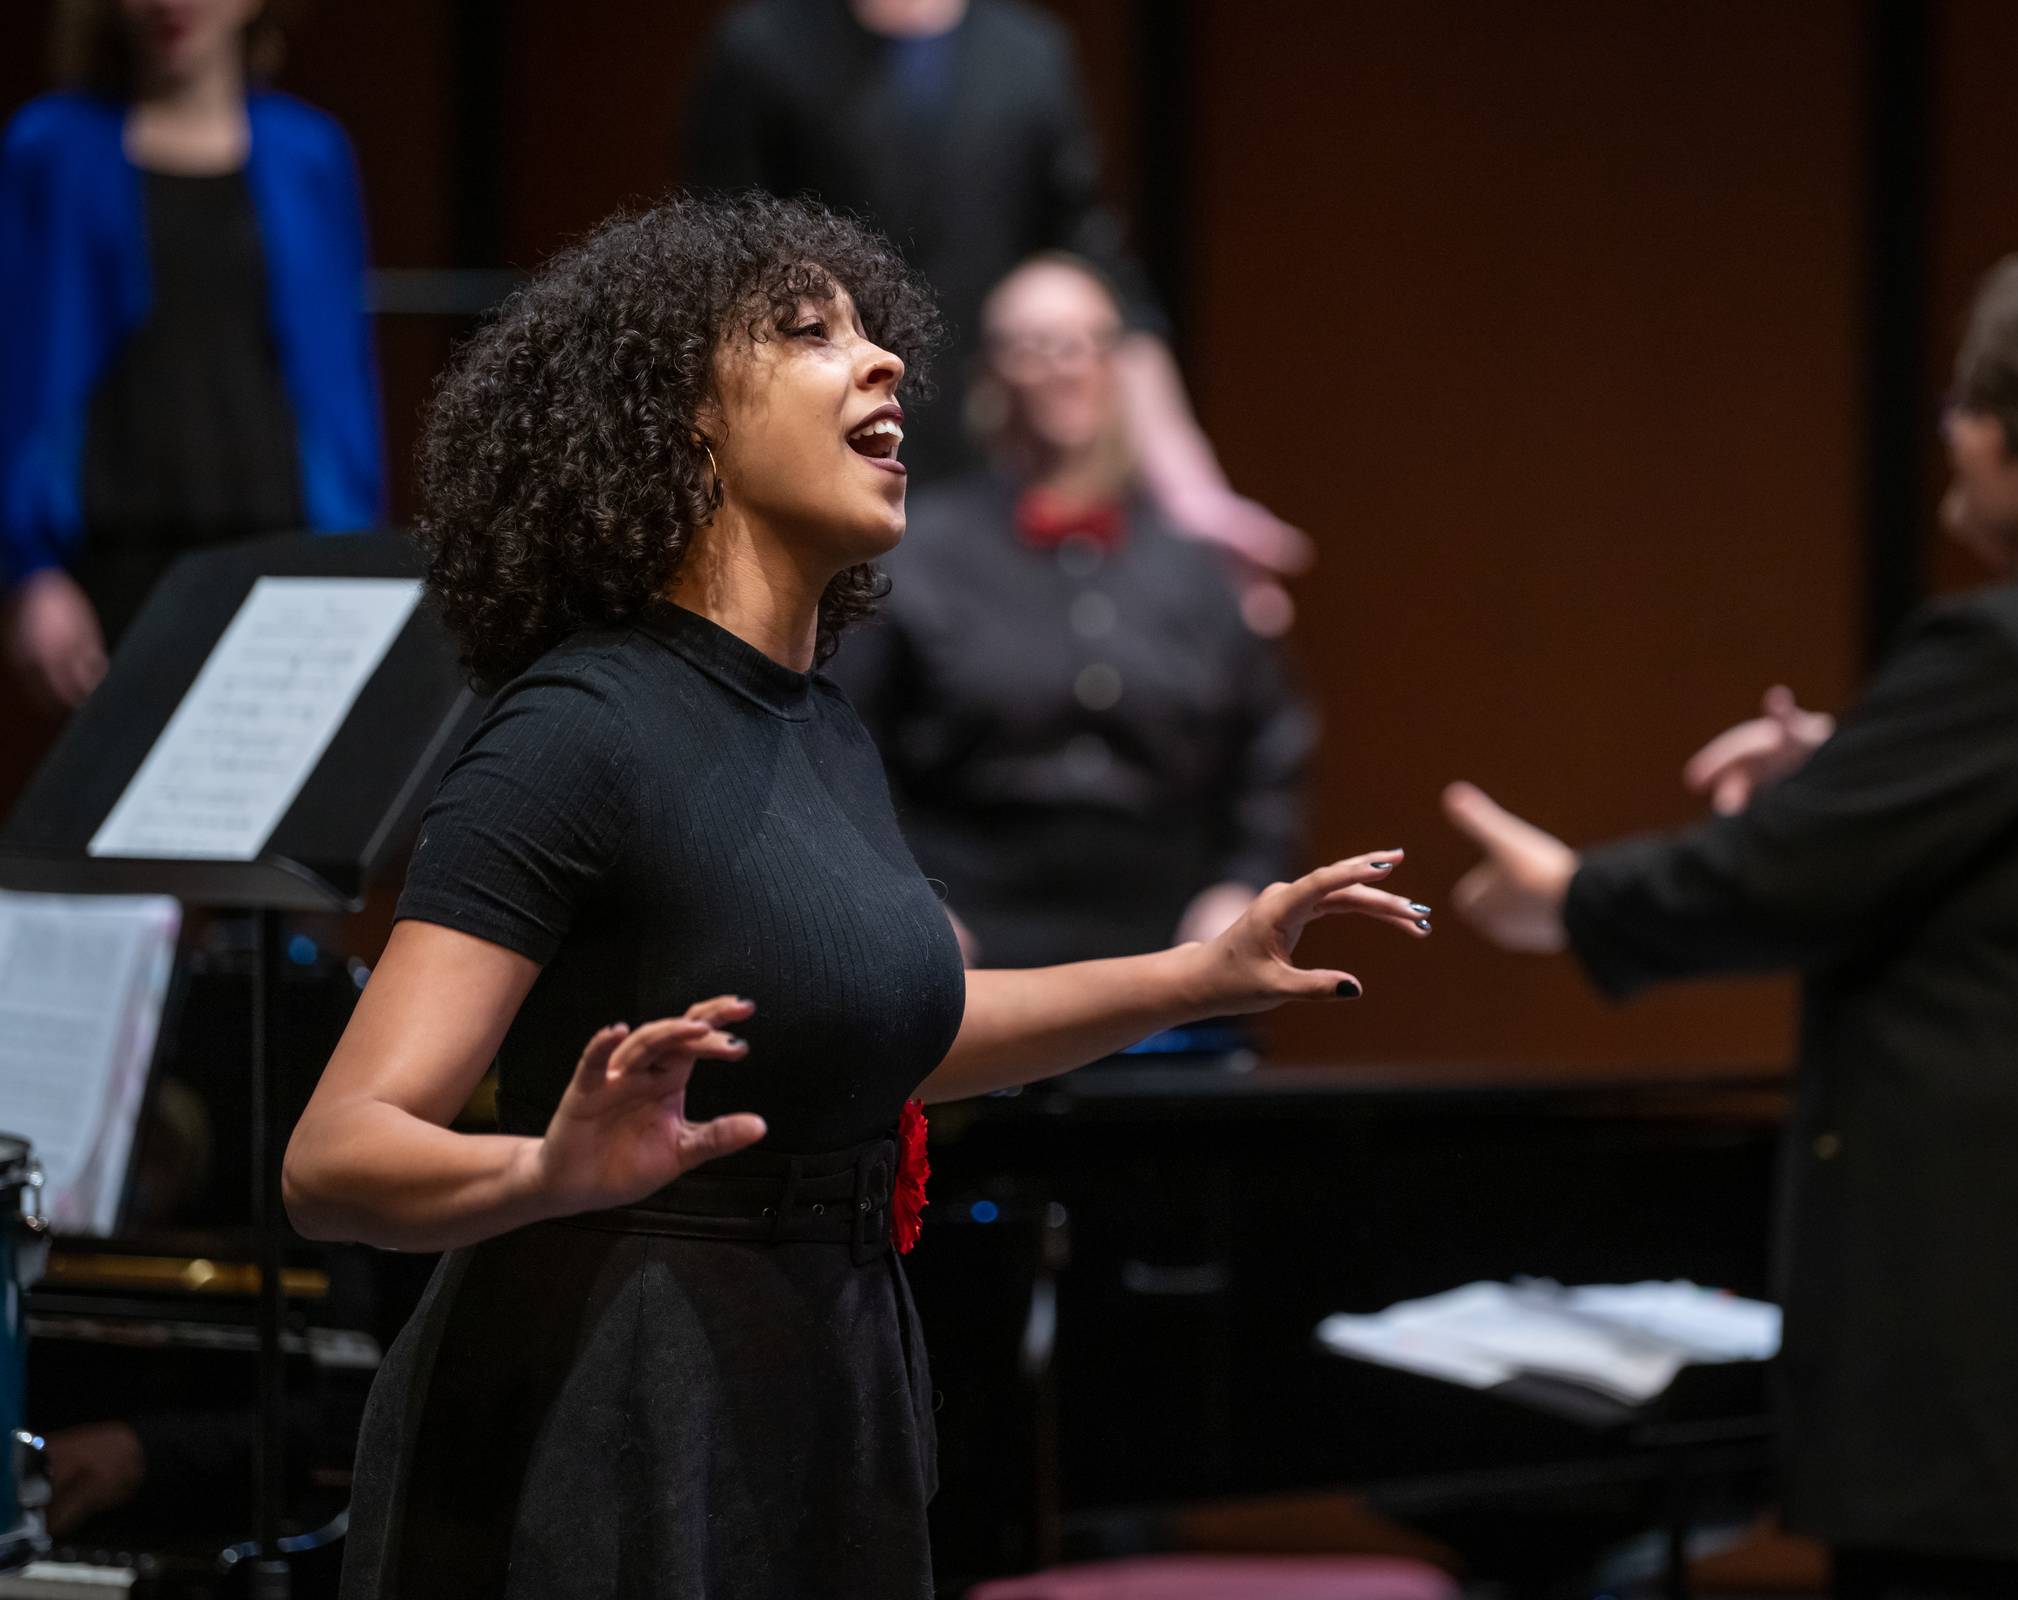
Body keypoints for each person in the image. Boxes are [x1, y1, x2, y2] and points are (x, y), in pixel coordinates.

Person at [279, 192, 1425, 1599]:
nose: (882, 359)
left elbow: (884, 1034)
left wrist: (1200, 975)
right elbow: (335, 1158)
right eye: (809, 332)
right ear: (682, 416)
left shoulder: (820, 724)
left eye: (875, 333)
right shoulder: (575, 729)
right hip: (609, 1402)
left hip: (823, 1375)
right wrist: (541, 1174)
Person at [1443, 255, 2018, 1598]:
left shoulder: (2012, 657)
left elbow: (1767, 879)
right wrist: (1858, 764)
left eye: (1969, 408)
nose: (1951, 432)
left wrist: (1566, 897)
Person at [684, 0, 1309, 629]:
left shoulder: (1027, 54)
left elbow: (1099, 270)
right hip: (823, 459)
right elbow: (724, 279)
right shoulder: (764, 48)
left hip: (992, 462)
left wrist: (1190, 490)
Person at [830, 253, 1319, 970]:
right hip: (967, 941)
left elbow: (1271, 748)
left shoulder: (1196, 565)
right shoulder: (919, 550)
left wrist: (1241, 885)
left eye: (1085, 343)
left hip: (1173, 945)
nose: (1064, 367)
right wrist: (903, 897)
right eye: (1035, 346)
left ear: (1121, 366)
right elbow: (846, 741)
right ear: (992, 373)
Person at [0, 0, 382, 711]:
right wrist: (31, 572)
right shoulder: (49, 149)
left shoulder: (310, 154)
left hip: (282, 563)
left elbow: (341, 383)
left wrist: (355, 565)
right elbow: (19, 376)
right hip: (111, 571)